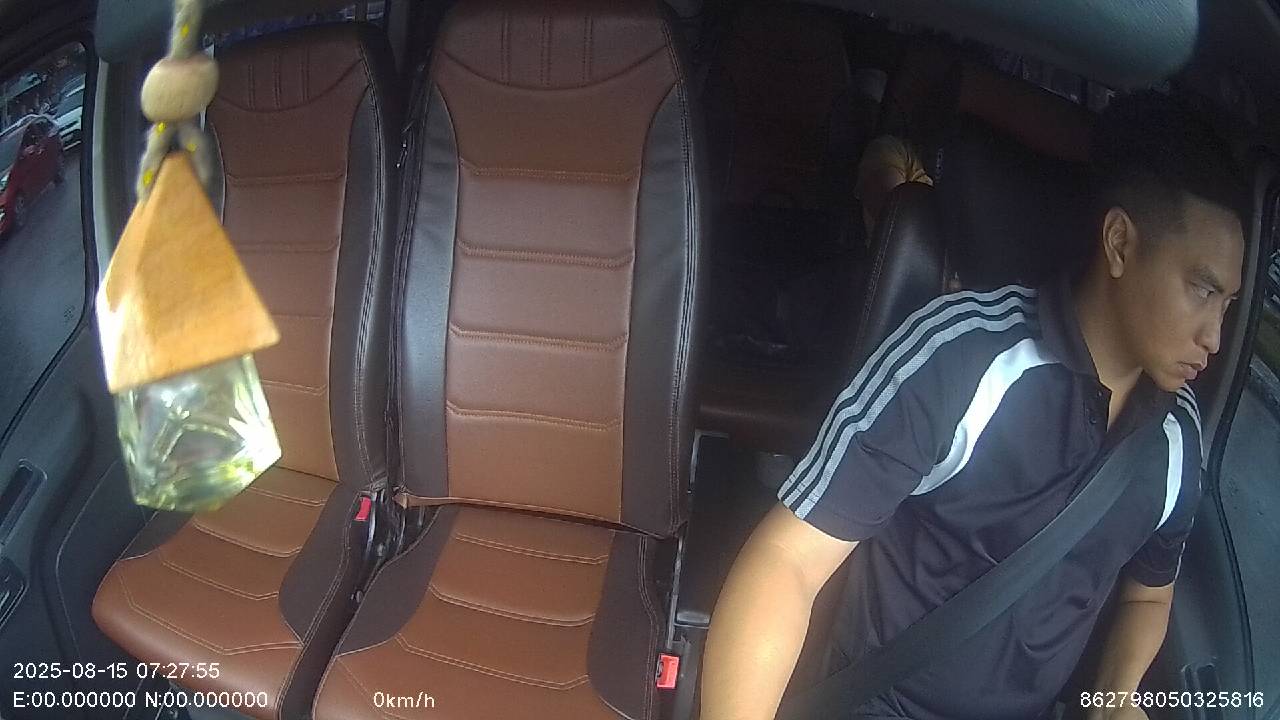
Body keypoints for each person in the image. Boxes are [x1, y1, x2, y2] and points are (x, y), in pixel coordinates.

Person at [700, 90, 1247, 720]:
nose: (1215, 337)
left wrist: (1116, 697)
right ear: (1120, 244)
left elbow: (1148, 595)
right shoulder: (962, 357)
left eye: (1228, 304)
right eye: (1201, 289)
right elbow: (788, 561)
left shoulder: (1175, 441)